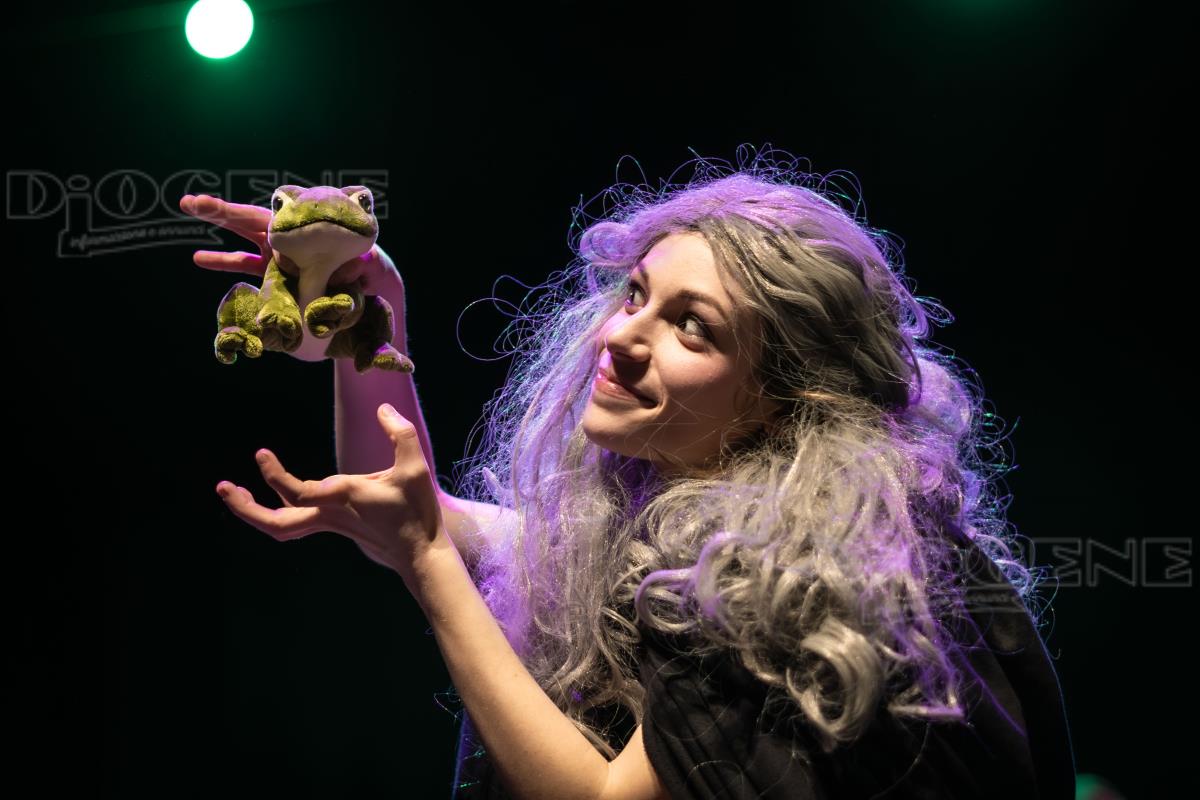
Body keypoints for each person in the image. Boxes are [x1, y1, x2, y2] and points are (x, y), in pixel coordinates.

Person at [182, 147, 1075, 799]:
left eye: (693, 326)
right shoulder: (654, 523)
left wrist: (427, 562)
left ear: (786, 399)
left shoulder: (810, 582)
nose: (619, 335)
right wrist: (371, 306)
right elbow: (404, 501)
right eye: (637, 294)